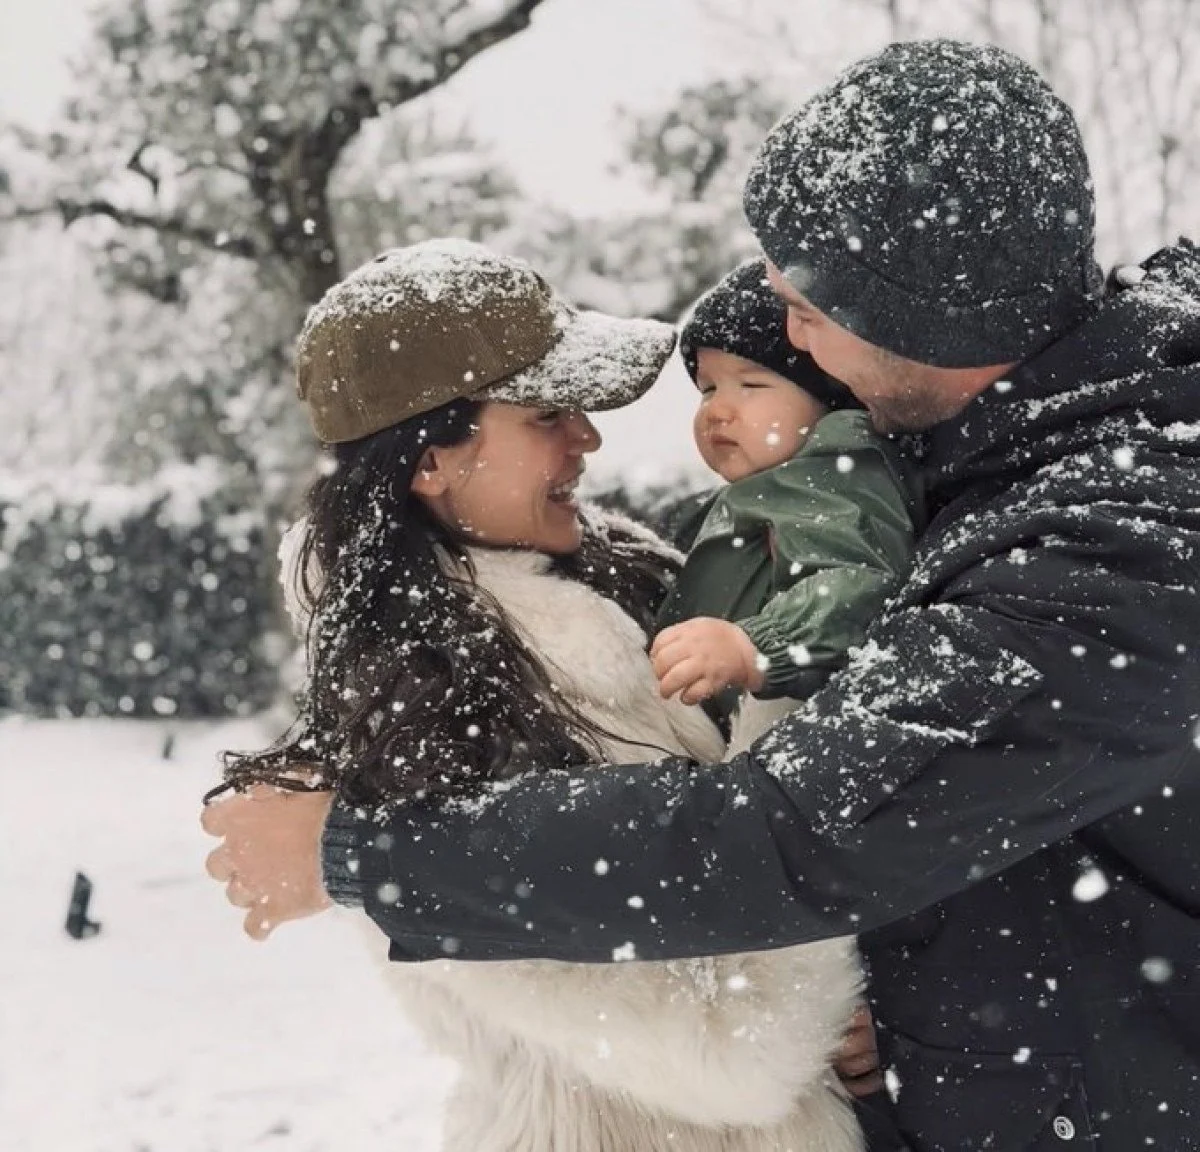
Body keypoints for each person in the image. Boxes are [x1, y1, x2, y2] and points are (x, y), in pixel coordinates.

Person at [204, 41, 1200, 1150]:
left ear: (926, 315)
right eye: (547, 414)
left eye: (810, 306)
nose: (788, 333)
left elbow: (790, 833)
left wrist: (360, 854)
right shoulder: (996, 455)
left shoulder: (1112, 547)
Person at [208, 238, 867, 1152]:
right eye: (548, 413)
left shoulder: (619, 578)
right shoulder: (422, 710)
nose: (587, 438)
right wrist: (789, 676)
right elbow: (735, 1047)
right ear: (428, 460)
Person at [651, 258, 921, 757]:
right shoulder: (764, 489)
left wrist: (756, 647)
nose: (717, 410)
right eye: (708, 388)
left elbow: (855, 582)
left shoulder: (835, 474)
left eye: (751, 386)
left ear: (829, 400)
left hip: (793, 734)